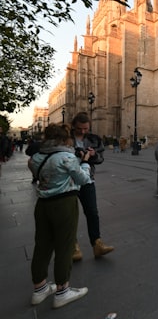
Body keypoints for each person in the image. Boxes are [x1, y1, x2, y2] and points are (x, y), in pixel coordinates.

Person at [28, 123, 92, 308]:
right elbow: (84, 179)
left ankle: (39, 289)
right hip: (64, 204)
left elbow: (43, 176)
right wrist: (85, 162)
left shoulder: (35, 158)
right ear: (64, 139)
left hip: (42, 205)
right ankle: (62, 290)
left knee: (42, 245)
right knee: (65, 246)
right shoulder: (67, 157)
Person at [70, 112, 113, 261]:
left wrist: (93, 155)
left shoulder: (93, 139)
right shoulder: (65, 139)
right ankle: (73, 246)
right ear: (73, 126)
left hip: (87, 178)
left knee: (92, 212)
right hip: (68, 181)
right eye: (79, 129)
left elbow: (100, 159)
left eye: (86, 129)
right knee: (70, 215)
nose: (83, 132)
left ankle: (97, 244)